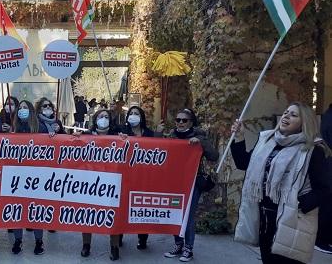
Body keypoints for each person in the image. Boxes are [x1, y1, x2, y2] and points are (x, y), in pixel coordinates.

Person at [231, 102, 332, 263]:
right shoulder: (268, 141)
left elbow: (324, 188)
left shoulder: (313, 149)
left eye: (293, 115)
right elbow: (244, 163)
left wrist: (298, 203)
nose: (286, 116)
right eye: (286, 112)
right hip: (265, 219)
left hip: (292, 221)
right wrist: (239, 137)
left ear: (304, 122)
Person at [163, 108, 218, 262]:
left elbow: (214, 155)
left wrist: (200, 143)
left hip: (193, 182)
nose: (180, 122)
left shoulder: (199, 137)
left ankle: (189, 249)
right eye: (178, 120)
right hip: (174, 182)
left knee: (188, 215)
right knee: (176, 213)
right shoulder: (172, 136)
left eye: (184, 120)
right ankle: (178, 245)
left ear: (191, 122)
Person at [74, 108, 121, 260]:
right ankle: (86, 245)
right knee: (88, 213)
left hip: (112, 180)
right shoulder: (87, 135)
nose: (104, 119)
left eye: (106, 116)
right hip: (90, 180)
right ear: (95, 120)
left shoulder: (117, 136)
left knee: (112, 213)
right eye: (101, 116)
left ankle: (114, 247)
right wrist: (75, 138)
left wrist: (125, 138)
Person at [119, 106, 159, 251]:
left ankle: (142, 238)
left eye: (136, 114)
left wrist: (159, 134)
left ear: (141, 117)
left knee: (142, 206)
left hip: (144, 176)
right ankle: (119, 235)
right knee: (122, 207)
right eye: (131, 114)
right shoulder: (122, 132)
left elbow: (159, 149)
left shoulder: (149, 133)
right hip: (125, 176)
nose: (133, 116)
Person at [10, 100, 45, 255]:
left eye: (25, 107)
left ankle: (39, 241)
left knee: (35, 209)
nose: (22, 110)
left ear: (31, 111)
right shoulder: (13, 128)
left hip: (36, 175)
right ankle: (18, 240)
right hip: (17, 175)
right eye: (20, 108)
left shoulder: (40, 127)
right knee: (17, 209)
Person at [316, 103, 332, 254]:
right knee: (328, 205)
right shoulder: (329, 117)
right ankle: (322, 240)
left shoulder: (328, 116)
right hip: (329, 167)